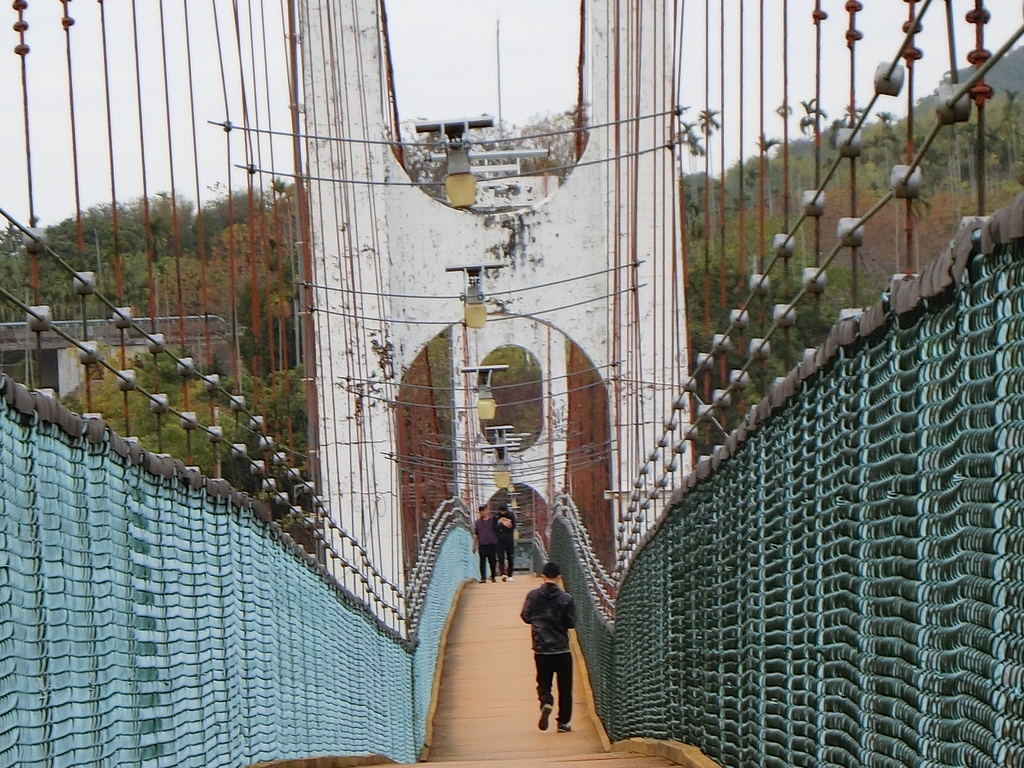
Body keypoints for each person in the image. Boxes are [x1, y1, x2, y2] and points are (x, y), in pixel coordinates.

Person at [520, 561, 576, 733]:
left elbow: (526, 616)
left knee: (543, 682)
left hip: (541, 648)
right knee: (565, 687)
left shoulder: (533, 596)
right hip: (562, 649)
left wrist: (540, 622)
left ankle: (546, 701)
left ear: (543, 576)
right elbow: (571, 623)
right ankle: (563, 722)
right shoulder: (566, 599)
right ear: (559, 577)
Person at [472, 504, 498, 583]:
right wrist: (474, 545)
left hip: (492, 543)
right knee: (482, 561)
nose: (482, 512)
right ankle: (483, 577)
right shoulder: (478, 523)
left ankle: (493, 576)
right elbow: (476, 534)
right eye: (481, 511)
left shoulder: (493, 520)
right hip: (482, 544)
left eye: (484, 510)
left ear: (487, 510)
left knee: (492, 561)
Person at [494, 503, 517, 581]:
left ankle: (510, 574)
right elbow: (494, 528)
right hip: (499, 540)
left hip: (509, 539)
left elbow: (513, 526)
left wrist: (507, 525)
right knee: (501, 557)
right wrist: (502, 524)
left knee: (510, 556)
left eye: (504, 511)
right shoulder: (496, 517)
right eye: (501, 511)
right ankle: (503, 573)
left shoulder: (511, 515)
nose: (503, 512)